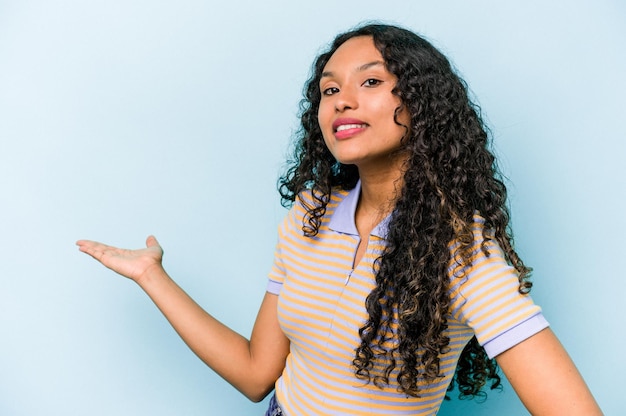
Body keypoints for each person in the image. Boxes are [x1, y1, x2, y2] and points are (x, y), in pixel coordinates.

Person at [77, 23, 602, 415]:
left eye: (370, 82)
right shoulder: (311, 213)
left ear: (420, 102)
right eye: (329, 90)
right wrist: (152, 276)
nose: (342, 101)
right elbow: (257, 373)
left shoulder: (463, 250)